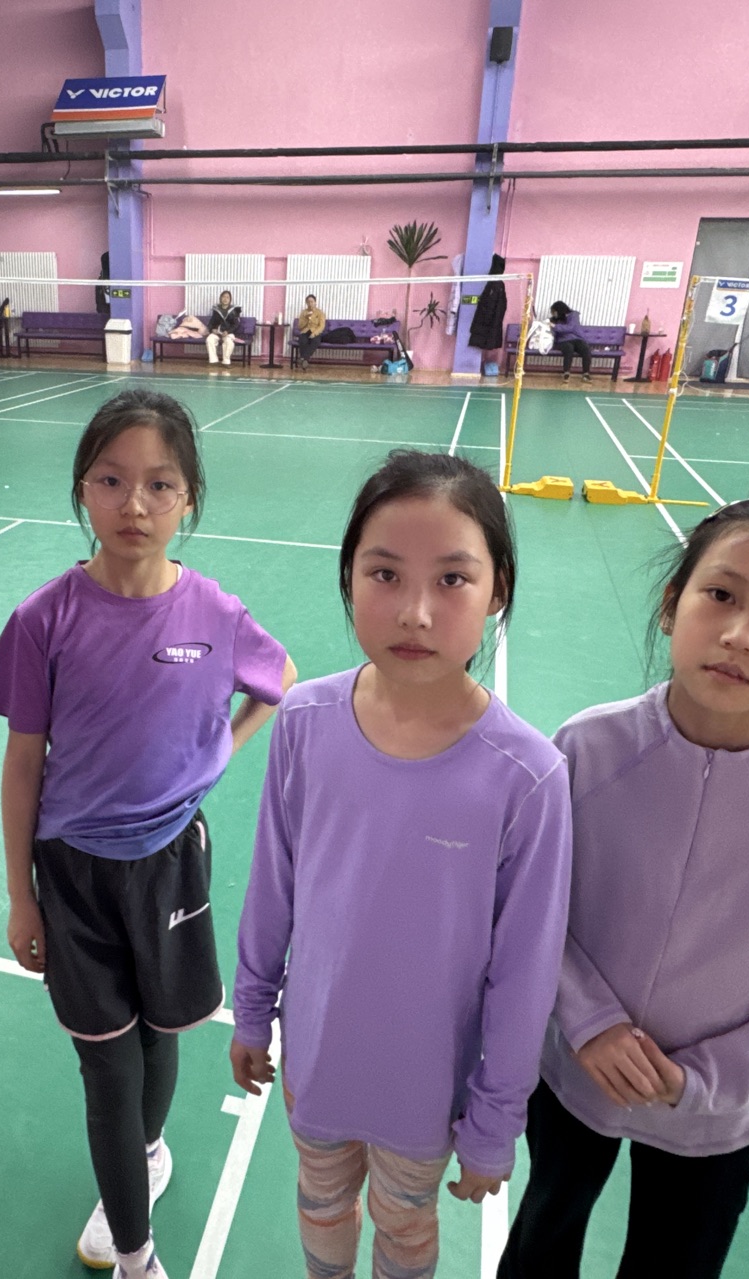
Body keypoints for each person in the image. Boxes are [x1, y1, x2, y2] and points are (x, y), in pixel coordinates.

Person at [498, 485, 749, 1279]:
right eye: (720, 595)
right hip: (573, 1077)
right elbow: (525, 904)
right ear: (670, 603)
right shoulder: (585, 749)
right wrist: (587, 1019)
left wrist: (705, 1080)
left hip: (716, 1123)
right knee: (543, 1237)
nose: (741, 634)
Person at [0, 389, 296, 1279]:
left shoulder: (214, 612)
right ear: (83, 488)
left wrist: (218, 752)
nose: (135, 504)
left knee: (162, 1036)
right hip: (73, 875)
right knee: (108, 1073)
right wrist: (20, 897)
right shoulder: (44, 619)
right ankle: (134, 1255)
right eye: (111, 480)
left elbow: (277, 677)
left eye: (160, 484)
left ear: (188, 497)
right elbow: (23, 764)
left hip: (170, 866)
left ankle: (149, 1154)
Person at [234, 451, 573, 1279]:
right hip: (315, 1061)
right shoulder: (304, 720)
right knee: (320, 1203)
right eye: (384, 574)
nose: (415, 612)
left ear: (498, 590)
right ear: (349, 577)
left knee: (405, 1223)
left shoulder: (527, 777)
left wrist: (495, 1121)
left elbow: (524, 972)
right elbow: (274, 881)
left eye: (452, 579)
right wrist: (251, 1009)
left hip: (424, 1091)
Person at [548, 300, 592, 382]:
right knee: (568, 349)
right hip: (563, 340)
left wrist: (555, 326)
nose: (553, 314)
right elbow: (553, 331)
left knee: (586, 349)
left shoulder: (574, 315)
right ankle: (566, 373)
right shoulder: (554, 320)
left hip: (577, 338)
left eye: (554, 312)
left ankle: (586, 374)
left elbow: (570, 327)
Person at [205, 291, 242, 367]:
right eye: (223, 297)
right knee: (209, 339)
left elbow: (236, 324)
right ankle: (213, 361)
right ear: (220, 298)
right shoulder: (216, 310)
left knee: (229, 342)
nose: (225, 299)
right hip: (217, 332)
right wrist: (212, 329)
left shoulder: (234, 310)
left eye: (227, 297)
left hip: (228, 333)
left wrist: (228, 331)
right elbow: (211, 323)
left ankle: (226, 362)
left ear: (230, 299)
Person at [292, 293, 326, 367]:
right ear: (306, 303)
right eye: (308, 302)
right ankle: (305, 360)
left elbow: (321, 326)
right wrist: (306, 319)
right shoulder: (303, 313)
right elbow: (300, 326)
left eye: (312, 302)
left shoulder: (320, 313)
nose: (310, 304)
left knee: (315, 341)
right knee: (303, 340)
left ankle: (303, 358)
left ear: (315, 302)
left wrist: (314, 333)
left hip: (315, 331)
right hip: (305, 331)